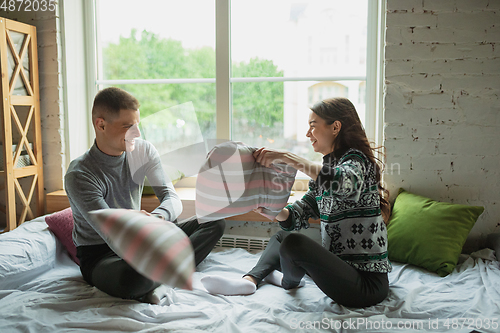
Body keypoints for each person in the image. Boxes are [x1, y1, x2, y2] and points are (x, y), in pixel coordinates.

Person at [201, 97, 392, 308]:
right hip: (340, 270)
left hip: (366, 285)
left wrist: (289, 157)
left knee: (294, 244)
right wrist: (271, 210)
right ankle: (250, 281)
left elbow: (343, 183)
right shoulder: (326, 170)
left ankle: (287, 281)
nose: (308, 134)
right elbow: (297, 216)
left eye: (313, 126)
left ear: (335, 127)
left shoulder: (357, 161)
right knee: (283, 237)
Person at [65, 87, 225, 304]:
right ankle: (166, 275)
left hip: (148, 237)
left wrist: (157, 219)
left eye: (137, 125)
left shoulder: (143, 151)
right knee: (132, 279)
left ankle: (162, 279)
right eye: (128, 126)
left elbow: (171, 198)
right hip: (103, 255)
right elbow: (113, 235)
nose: (137, 134)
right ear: (100, 124)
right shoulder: (80, 174)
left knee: (214, 221)